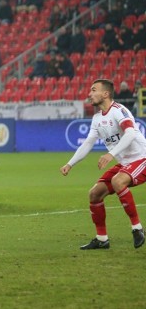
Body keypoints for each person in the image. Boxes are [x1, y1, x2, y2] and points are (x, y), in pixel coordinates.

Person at [60, 79, 146, 250]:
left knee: (117, 181)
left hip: (142, 159)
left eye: (93, 90)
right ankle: (102, 239)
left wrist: (110, 154)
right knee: (94, 194)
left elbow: (129, 133)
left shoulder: (119, 111)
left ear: (105, 94)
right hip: (125, 163)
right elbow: (87, 143)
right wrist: (70, 164)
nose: (89, 94)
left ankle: (137, 229)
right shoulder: (97, 118)